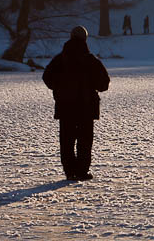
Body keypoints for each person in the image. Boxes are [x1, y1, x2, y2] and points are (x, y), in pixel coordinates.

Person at [43, 26, 110, 181]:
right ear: (85, 39)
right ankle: (81, 171)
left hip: (65, 106)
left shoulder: (60, 59)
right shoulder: (91, 60)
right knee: (84, 141)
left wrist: (59, 89)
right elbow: (104, 84)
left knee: (66, 140)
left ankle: (70, 171)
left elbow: (47, 77)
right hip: (86, 107)